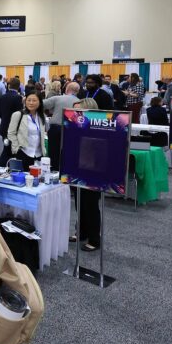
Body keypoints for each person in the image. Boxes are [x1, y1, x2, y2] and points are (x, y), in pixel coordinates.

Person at [72, 98, 102, 252]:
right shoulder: (76, 126)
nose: (75, 113)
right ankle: (81, 232)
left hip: (93, 171)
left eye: (79, 110)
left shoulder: (98, 128)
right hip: (79, 169)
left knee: (90, 206)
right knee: (79, 203)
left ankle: (94, 239)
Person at [44, 81, 81, 170]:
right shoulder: (80, 102)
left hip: (55, 128)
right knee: (69, 152)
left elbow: (41, 104)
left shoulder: (57, 98)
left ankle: (53, 172)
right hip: (72, 130)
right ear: (77, 91)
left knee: (53, 153)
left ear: (67, 89)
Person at [7, 93, 47, 171]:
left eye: (34, 100)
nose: (31, 103)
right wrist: (16, 148)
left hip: (38, 155)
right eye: (29, 100)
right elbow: (11, 133)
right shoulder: (18, 115)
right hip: (23, 152)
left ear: (39, 102)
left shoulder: (42, 116)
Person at [0, 77, 24, 165]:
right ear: (18, 86)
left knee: (6, 150)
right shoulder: (18, 98)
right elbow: (19, 114)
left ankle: (2, 168)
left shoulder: (2, 97)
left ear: (8, 86)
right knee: (11, 151)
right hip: (14, 128)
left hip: (4, 126)